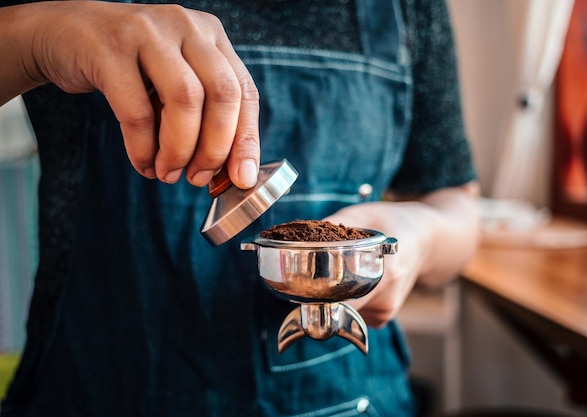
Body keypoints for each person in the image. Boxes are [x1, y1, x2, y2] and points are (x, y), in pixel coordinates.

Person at [0, 0, 480, 416]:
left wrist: (413, 238)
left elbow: (458, 204)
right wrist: (38, 35)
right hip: (97, 390)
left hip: (344, 398)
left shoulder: (409, 8)